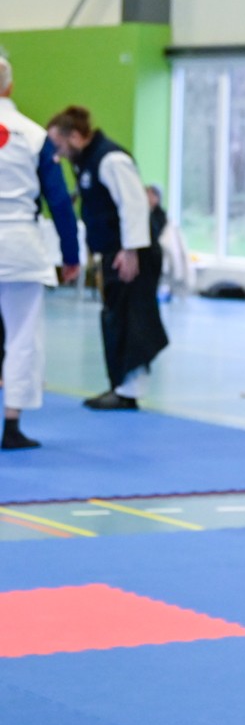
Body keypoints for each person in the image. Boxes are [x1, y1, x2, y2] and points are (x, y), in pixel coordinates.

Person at [47, 105, 167, 411]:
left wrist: (131, 250)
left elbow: (133, 205)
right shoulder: (85, 163)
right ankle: (120, 385)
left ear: (75, 137)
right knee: (115, 317)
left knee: (132, 318)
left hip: (132, 253)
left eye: (59, 145)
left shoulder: (111, 159)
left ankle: (129, 390)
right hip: (114, 252)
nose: (58, 153)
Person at [0, 57, 81, 448]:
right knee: (22, 335)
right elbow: (59, 202)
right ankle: (11, 424)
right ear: (10, 87)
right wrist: (71, 255)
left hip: (19, 242)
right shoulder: (34, 136)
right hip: (20, 245)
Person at [146, 184, 191, 300]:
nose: (145, 198)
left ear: (156, 197)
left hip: (156, 252)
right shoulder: (148, 214)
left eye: (148, 195)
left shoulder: (159, 216)